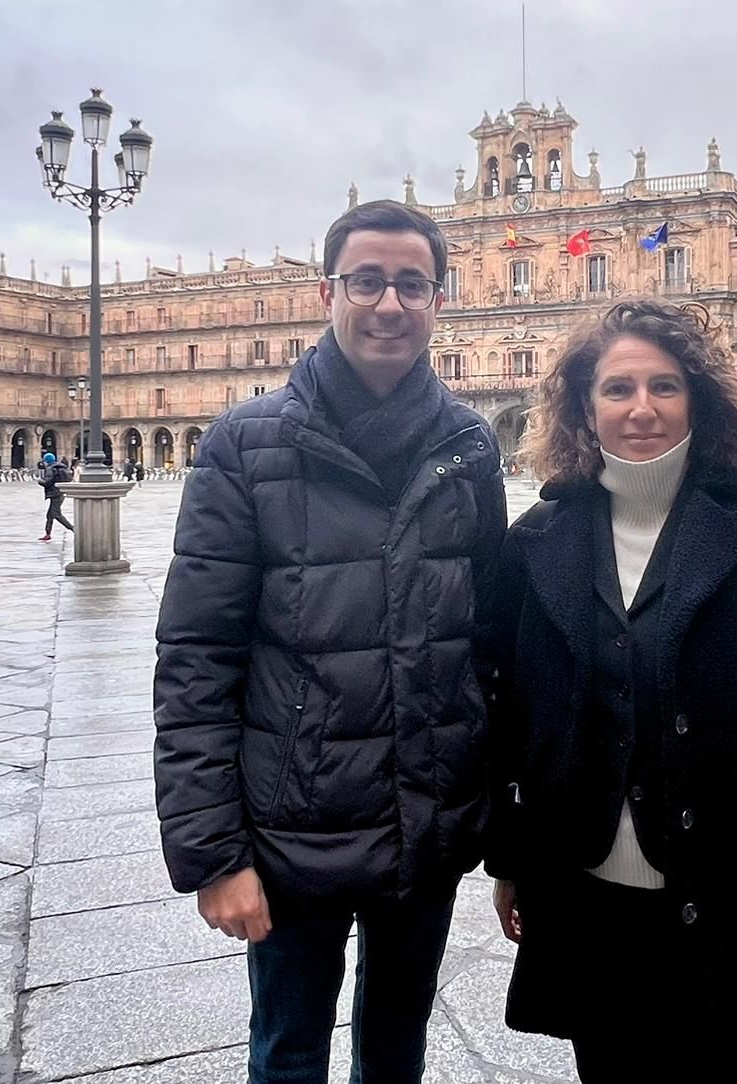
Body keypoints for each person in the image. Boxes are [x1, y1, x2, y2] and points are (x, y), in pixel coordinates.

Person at [153, 199, 506, 1084]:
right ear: (328, 291)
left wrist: (508, 836)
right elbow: (197, 656)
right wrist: (213, 854)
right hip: (289, 829)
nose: (389, 304)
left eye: (412, 285)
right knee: (288, 1050)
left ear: (438, 299)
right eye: (368, 281)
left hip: (426, 823)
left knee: (397, 1050)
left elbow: (492, 643)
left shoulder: (469, 443)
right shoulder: (244, 443)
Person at [482, 300, 737, 1082]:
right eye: (617, 389)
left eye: (665, 386)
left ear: (700, 398)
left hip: (721, 896)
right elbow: (511, 717)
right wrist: (510, 859)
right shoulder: (534, 544)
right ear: (584, 408)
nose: (641, 408)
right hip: (584, 898)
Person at [39, 452, 75, 541]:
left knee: (56, 514)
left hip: (55, 494)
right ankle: (47, 534)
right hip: (60, 492)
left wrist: (40, 481)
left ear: (46, 461)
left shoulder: (50, 468)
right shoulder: (59, 467)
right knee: (50, 515)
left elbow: (47, 481)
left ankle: (73, 528)